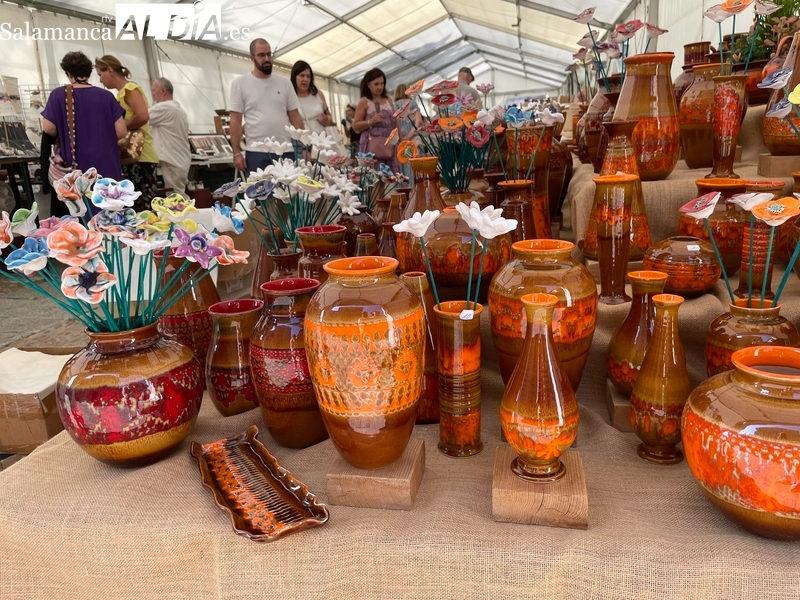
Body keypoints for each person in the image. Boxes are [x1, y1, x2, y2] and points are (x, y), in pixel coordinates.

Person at [41, 51, 126, 216]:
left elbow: (48, 128)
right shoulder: (107, 96)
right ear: (89, 72)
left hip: (76, 166)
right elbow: (121, 131)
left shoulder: (58, 95)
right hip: (107, 163)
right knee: (109, 211)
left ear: (68, 73)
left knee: (79, 212)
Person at [230, 38, 304, 174]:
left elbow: (295, 117)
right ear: (252, 58)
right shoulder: (240, 84)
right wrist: (236, 152)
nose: (267, 59)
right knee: (260, 189)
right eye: (261, 55)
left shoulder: (285, 83)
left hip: (285, 150)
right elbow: (235, 120)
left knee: (289, 188)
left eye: (269, 54)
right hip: (256, 152)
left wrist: (306, 147)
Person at [95, 55, 159, 212]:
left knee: (144, 207)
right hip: (131, 157)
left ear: (110, 71)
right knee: (132, 207)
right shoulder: (120, 94)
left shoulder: (130, 89)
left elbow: (143, 115)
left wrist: (121, 128)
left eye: (100, 75)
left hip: (141, 156)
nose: (100, 80)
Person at [352, 68, 400, 174]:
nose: (379, 87)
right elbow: (355, 126)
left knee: (390, 176)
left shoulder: (388, 100)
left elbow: (395, 122)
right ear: (368, 84)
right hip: (371, 147)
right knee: (374, 175)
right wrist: (371, 122)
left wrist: (401, 139)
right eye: (376, 84)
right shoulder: (364, 101)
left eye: (382, 84)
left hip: (388, 145)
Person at [149, 77, 190, 196]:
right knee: (178, 193)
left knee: (175, 197)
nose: (152, 94)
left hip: (171, 159)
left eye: (154, 90)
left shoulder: (163, 108)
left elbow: (142, 117)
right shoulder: (179, 110)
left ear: (163, 91)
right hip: (180, 159)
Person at [290, 60, 333, 134]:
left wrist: (326, 120)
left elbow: (329, 117)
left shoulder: (318, 94)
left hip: (322, 139)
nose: (306, 79)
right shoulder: (289, 97)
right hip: (300, 140)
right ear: (294, 77)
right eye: (302, 75)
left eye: (308, 76)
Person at [393, 84, 424, 178]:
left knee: (402, 169)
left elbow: (393, 125)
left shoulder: (394, 106)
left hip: (399, 142)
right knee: (416, 169)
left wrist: (402, 138)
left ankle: (405, 186)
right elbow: (418, 122)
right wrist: (409, 136)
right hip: (413, 140)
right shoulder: (412, 103)